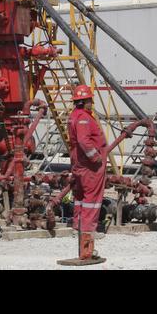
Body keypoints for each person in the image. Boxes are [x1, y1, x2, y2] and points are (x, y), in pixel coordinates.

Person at [67, 84, 107, 264]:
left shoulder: (73, 116)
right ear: (85, 101)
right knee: (92, 202)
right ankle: (86, 248)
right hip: (89, 168)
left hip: (79, 165)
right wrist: (96, 158)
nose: (92, 103)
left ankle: (80, 229)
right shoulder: (83, 118)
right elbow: (84, 141)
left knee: (81, 200)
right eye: (90, 100)